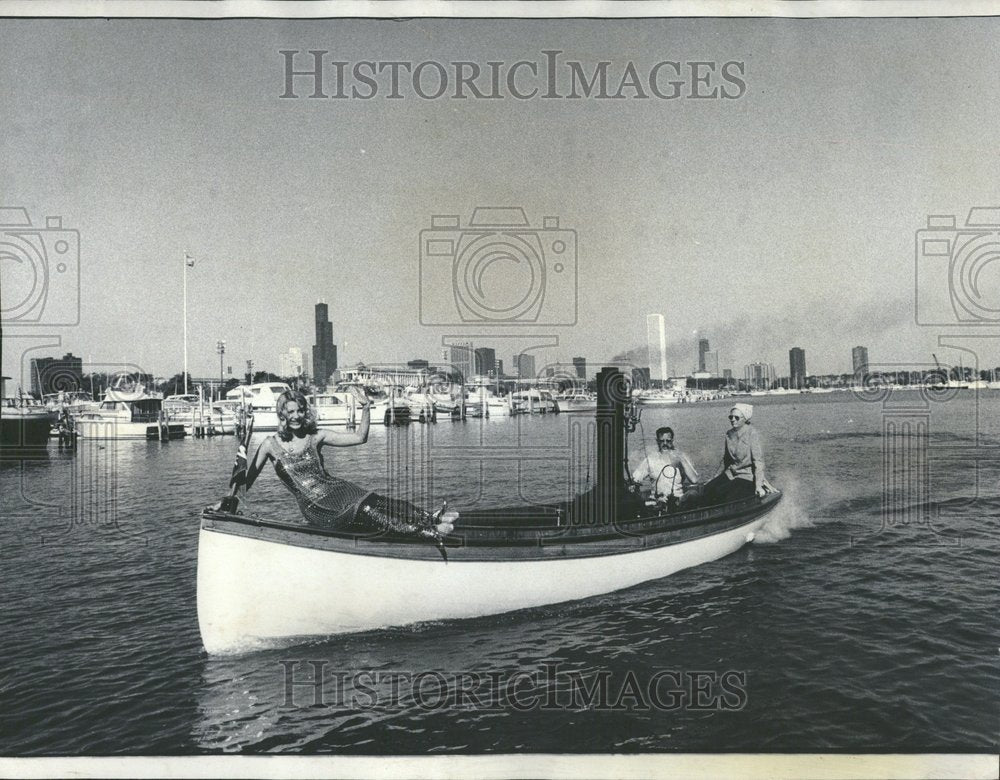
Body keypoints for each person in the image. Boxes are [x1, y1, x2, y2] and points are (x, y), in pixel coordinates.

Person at [238, 389, 456, 542]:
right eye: (290, 412)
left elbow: (360, 437)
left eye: (300, 411)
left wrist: (366, 407)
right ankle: (427, 532)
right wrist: (227, 502)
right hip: (317, 507)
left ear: (305, 412)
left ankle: (430, 517)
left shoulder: (316, 436)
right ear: (282, 414)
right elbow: (245, 483)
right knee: (367, 509)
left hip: (337, 490)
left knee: (378, 501)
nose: (296, 416)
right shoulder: (270, 445)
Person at [702, 403, 766, 505]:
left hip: (746, 477)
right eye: (731, 417)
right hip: (731, 474)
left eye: (736, 417)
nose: (733, 419)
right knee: (707, 490)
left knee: (726, 497)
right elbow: (726, 460)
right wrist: (714, 478)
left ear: (745, 419)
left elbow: (758, 462)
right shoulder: (729, 434)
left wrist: (759, 486)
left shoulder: (752, 433)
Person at [631, 426, 700, 510]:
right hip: (657, 501)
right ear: (657, 441)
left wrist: (681, 459)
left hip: (678, 500)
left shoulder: (680, 457)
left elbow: (694, 480)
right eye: (661, 441)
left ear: (672, 441)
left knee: (693, 494)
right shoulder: (650, 459)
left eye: (668, 441)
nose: (665, 444)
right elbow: (634, 480)